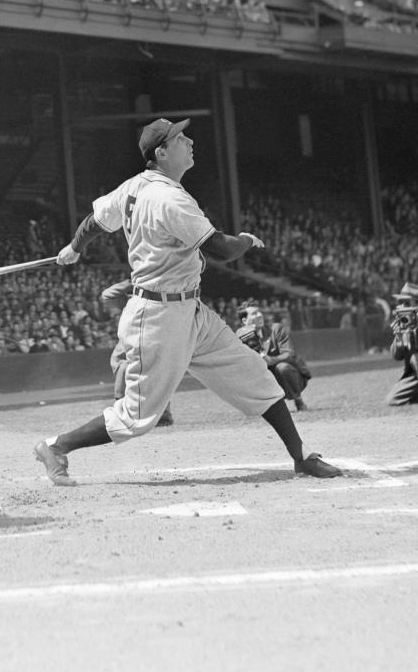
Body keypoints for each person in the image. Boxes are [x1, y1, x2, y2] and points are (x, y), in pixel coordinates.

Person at [33, 118, 341, 486]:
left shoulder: (133, 187)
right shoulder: (170, 198)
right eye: (180, 137)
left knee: (254, 373)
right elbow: (223, 250)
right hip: (159, 317)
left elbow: (95, 221)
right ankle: (55, 446)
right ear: (161, 152)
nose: (190, 140)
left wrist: (73, 248)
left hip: (190, 311)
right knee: (136, 416)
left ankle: (301, 456)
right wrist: (245, 238)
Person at [101, 278, 173, 427]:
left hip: (154, 342)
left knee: (157, 375)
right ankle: (120, 408)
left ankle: (163, 414)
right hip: (130, 344)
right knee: (125, 367)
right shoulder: (130, 301)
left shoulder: (165, 300)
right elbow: (107, 294)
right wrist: (135, 283)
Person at [235, 301, 311, 411]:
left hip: (290, 376)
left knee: (283, 368)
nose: (260, 315)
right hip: (264, 377)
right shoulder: (241, 338)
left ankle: (298, 399)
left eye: (259, 312)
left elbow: (289, 354)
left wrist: (271, 360)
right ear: (245, 320)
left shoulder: (276, 329)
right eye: (254, 314)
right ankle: (266, 408)